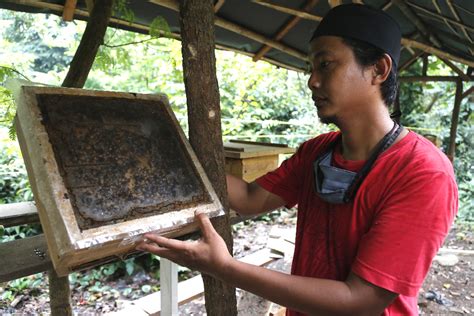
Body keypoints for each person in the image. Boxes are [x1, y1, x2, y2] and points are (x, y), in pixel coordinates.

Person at [136, 4, 458, 315]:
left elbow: (360, 301)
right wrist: (173, 155)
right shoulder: (318, 152)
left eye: (326, 64)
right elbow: (249, 198)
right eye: (311, 68)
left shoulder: (423, 173)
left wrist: (225, 268)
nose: (312, 80)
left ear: (378, 69)